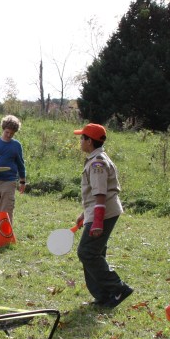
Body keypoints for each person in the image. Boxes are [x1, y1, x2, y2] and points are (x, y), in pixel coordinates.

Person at [74, 123, 133, 308]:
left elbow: (100, 193)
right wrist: (86, 214)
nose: (80, 141)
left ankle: (117, 288)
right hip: (100, 210)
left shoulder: (97, 163)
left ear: (89, 141)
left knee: (87, 252)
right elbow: (96, 193)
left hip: (104, 213)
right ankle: (104, 296)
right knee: (96, 252)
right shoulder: (97, 158)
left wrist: (97, 221)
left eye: (82, 138)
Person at [0, 115, 26, 223]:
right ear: (3, 129)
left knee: (6, 209)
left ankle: (5, 231)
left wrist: (22, 181)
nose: (9, 135)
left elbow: (20, 164)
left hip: (9, 181)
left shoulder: (16, 145)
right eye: (7, 132)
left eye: (12, 133)